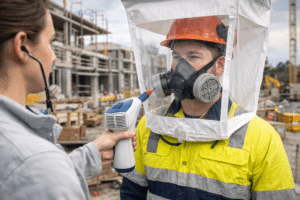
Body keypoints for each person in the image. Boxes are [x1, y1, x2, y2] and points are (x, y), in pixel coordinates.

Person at [120, 16, 296, 199]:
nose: (180, 66)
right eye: (176, 56)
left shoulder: (260, 136)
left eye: (193, 56)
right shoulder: (150, 125)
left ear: (220, 65)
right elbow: (131, 193)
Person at [0, 0, 137, 199]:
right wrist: (52, 166)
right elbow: (40, 174)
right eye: (50, 42)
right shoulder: (34, 163)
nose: (54, 57)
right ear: (21, 46)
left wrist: (92, 154)